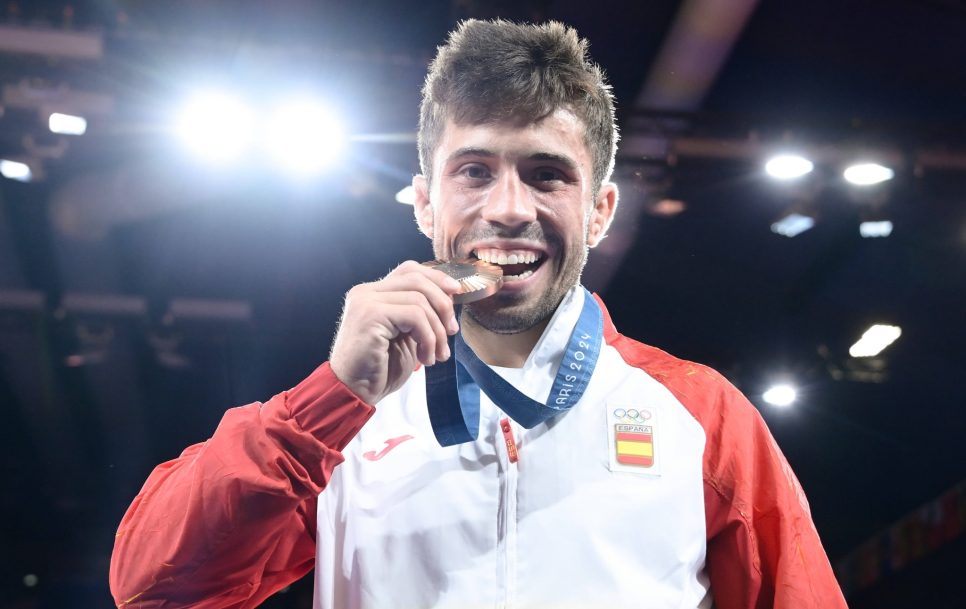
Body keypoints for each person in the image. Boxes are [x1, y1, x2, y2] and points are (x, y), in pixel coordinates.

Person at [110, 19, 848, 609]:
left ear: (599, 212)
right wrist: (329, 401)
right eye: (474, 170)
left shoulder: (703, 417)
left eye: (546, 174)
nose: (508, 209)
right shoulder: (337, 426)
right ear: (425, 202)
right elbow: (155, 588)